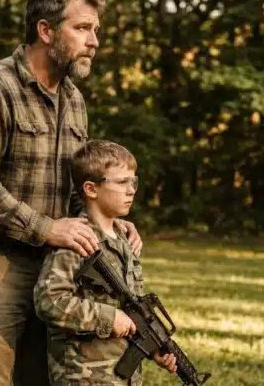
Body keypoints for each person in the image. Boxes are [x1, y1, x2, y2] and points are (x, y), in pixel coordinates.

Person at [0, 0, 143, 386]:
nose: (95, 41)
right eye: (83, 28)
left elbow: (76, 189)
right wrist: (46, 228)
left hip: (52, 267)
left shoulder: (73, 99)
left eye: (96, 30)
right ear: (45, 30)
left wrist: (103, 221)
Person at [34, 140, 177, 386]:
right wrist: (107, 318)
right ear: (91, 189)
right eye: (121, 182)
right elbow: (49, 300)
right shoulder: (77, 239)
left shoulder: (125, 240)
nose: (131, 190)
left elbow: (132, 310)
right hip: (83, 377)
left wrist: (153, 348)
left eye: (133, 181)